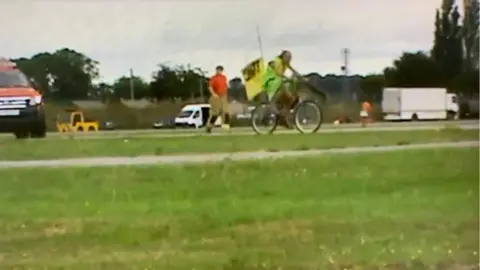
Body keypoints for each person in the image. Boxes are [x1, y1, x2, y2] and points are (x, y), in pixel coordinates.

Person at [262, 50, 301, 127]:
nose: (289, 59)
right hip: (271, 81)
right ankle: (278, 113)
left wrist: (302, 78)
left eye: (290, 58)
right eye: (288, 57)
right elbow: (278, 73)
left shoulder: (285, 63)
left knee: (289, 99)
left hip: (278, 81)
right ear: (283, 57)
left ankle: (283, 115)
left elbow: (293, 70)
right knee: (281, 89)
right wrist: (288, 79)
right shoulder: (278, 62)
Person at [206, 65, 230, 133]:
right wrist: (213, 94)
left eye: (220, 70)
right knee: (215, 113)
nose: (219, 71)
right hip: (216, 97)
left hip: (223, 96)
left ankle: (226, 125)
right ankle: (209, 126)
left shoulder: (224, 77)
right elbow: (210, 87)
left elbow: (225, 86)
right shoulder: (213, 78)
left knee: (226, 111)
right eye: (218, 70)